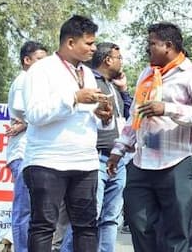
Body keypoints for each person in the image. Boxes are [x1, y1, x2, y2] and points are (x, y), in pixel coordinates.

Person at [107, 23, 192, 252]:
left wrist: (167, 109)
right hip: (142, 162)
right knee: (139, 224)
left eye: (152, 44)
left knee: (178, 231)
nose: (147, 49)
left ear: (168, 45)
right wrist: (119, 149)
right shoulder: (147, 74)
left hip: (178, 162)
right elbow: (135, 114)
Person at [22, 16, 111, 252]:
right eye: (89, 43)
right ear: (70, 43)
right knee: (43, 226)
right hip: (47, 161)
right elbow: (35, 114)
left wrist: (101, 115)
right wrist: (74, 98)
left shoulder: (87, 73)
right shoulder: (41, 70)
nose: (94, 48)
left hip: (84, 162)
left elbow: (86, 117)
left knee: (87, 227)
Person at [59, 42, 132, 252]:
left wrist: (124, 90)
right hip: (95, 157)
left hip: (117, 160)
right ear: (108, 60)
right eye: (119, 58)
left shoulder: (113, 85)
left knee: (111, 218)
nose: (121, 62)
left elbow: (128, 116)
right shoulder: (89, 82)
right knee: (88, 217)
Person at [6, 41, 49, 252]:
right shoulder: (24, 81)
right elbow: (30, 115)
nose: (44, 65)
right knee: (24, 210)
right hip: (23, 153)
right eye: (40, 60)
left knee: (35, 210)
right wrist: (26, 123)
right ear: (27, 60)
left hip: (34, 153)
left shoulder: (35, 83)